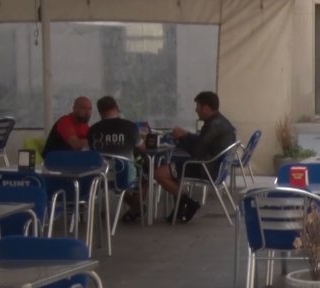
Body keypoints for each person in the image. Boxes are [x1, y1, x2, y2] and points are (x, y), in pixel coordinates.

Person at [154, 91, 236, 224]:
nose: (196, 110)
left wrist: (181, 138)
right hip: (215, 168)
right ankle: (181, 206)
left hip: (206, 169)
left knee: (159, 173)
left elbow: (196, 151)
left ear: (206, 108)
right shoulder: (221, 122)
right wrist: (186, 134)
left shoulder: (213, 125)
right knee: (175, 166)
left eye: (198, 106)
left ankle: (188, 202)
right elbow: (202, 141)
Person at [88, 96, 145, 223]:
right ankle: (136, 207)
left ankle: (135, 208)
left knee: (113, 182)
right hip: (124, 175)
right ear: (117, 108)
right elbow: (142, 148)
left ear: (100, 112)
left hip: (99, 177)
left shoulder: (93, 130)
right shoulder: (130, 126)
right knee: (147, 175)